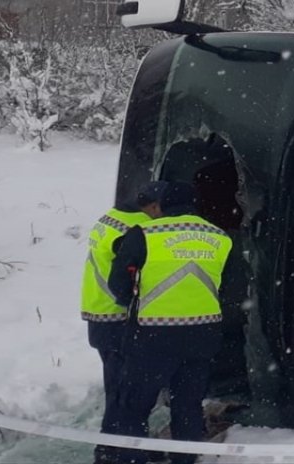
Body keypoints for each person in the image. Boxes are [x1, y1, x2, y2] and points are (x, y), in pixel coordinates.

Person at [101, 182, 233, 464]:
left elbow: (118, 284)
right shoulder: (219, 236)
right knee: (187, 407)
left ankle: (129, 459)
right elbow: (228, 284)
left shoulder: (144, 235)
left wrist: (131, 302)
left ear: (161, 206)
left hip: (153, 337)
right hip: (202, 335)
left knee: (133, 408)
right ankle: (184, 461)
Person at [84, 182, 165, 464]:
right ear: (153, 206)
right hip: (118, 317)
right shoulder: (137, 228)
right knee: (127, 390)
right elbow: (129, 276)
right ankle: (118, 449)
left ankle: (116, 445)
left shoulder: (110, 218)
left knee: (116, 386)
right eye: (161, 209)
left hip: (97, 312)